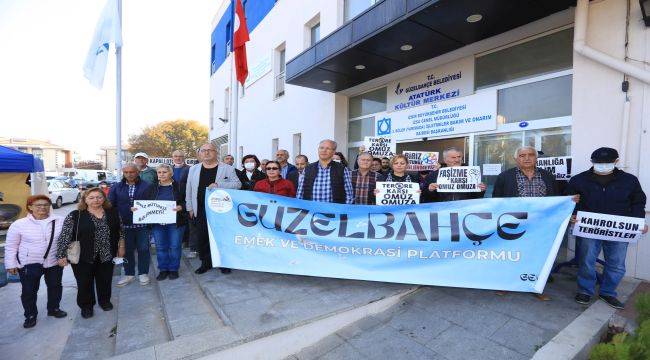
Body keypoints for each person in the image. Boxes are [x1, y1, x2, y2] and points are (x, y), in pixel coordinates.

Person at [566, 147, 647, 309]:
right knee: (587, 261)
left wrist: (639, 222)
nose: (603, 165)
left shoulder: (629, 180)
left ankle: (608, 292)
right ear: (592, 162)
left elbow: (638, 201)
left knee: (616, 263)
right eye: (598, 162)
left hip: (619, 230)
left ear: (616, 162)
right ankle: (585, 290)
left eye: (607, 162)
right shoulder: (578, 180)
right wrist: (571, 215)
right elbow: (569, 200)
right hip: (588, 228)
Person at [492, 146, 561, 301]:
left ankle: (536, 286)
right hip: (514, 224)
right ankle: (507, 284)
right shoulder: (505, 177)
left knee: (537, 255)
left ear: (536, 158)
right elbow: (496, 201)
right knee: (512, 254)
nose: (527, 158)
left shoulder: (547, 176)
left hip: (540, 225)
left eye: (531, 155)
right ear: (516, 159)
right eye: (522, 155)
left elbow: (556, 199)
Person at [57, 188, 124, 319]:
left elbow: (120, 231)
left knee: (105, 280)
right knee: (84, 282)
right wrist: (61, 255)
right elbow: (65, 236)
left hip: (106, 254)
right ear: (85, 200)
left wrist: (121, 247)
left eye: (99, 197)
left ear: (104, 198)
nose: (96, 200)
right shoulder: (75, 215)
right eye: (91, 197)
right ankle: (86, 306)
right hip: (83, 256)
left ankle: (104, 301)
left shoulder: (112, 212)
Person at [5, 195, 66, 328]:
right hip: (29, 263)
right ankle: (30, 315)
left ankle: (54, 309)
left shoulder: (60, 220)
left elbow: (66, 240)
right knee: (29, 291)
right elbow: (11, 246)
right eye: (38, 205)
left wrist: (65, 256)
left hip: (54, 262)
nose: (42, 207)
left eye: (45, 204)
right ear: (30, 207)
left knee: (55, 286)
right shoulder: (19, 224)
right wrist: (10, 264)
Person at [186, 143, 241, 274]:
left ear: (216, 152)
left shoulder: (227, 168)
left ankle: (223, 263)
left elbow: (238, 184)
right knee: (203, 237)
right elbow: (189, 189)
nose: (206, 153)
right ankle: (206, 262)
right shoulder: (193, 169)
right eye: (203, 150)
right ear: (200, 153)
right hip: (200, 208)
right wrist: (189, 207)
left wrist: (218, 184)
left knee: (221, 237)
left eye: (209, 150)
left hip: (220, 210)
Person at [108, 163, 154, 287]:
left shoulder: (147, 186)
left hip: (142, 225)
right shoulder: (116, 187)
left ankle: (143, 273)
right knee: (127, 250)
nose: (129, 174)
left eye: (132, 172)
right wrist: (128, 209)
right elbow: (111, 205)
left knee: (143, 249)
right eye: (126, 172)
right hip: (124, 226)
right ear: (123, 173)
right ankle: (129, 274)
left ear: (137, 172)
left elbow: (152, 203)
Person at [146, 164, 187, 281]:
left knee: (175, 246)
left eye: (164, 172)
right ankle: (163, 269)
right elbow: (146, 203)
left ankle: (174, 269)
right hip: (157, 224)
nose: (162, 174)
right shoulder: (152, 188)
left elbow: (186, 201)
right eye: (159, 172)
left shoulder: (179, 187)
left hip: (176, 222)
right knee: (160, 247)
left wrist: (181, 207)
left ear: (171, 173)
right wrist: (138, 209)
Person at [297, 139, 354, 204]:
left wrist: (343, 212)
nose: (324, 150)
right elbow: (300, 194)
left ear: (333, 151)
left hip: (334, 212)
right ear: (318, 149)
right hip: (311, 212)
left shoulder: (342, 169)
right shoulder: (308, 169)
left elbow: (349, 196)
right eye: (321, 148)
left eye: (328, 148)